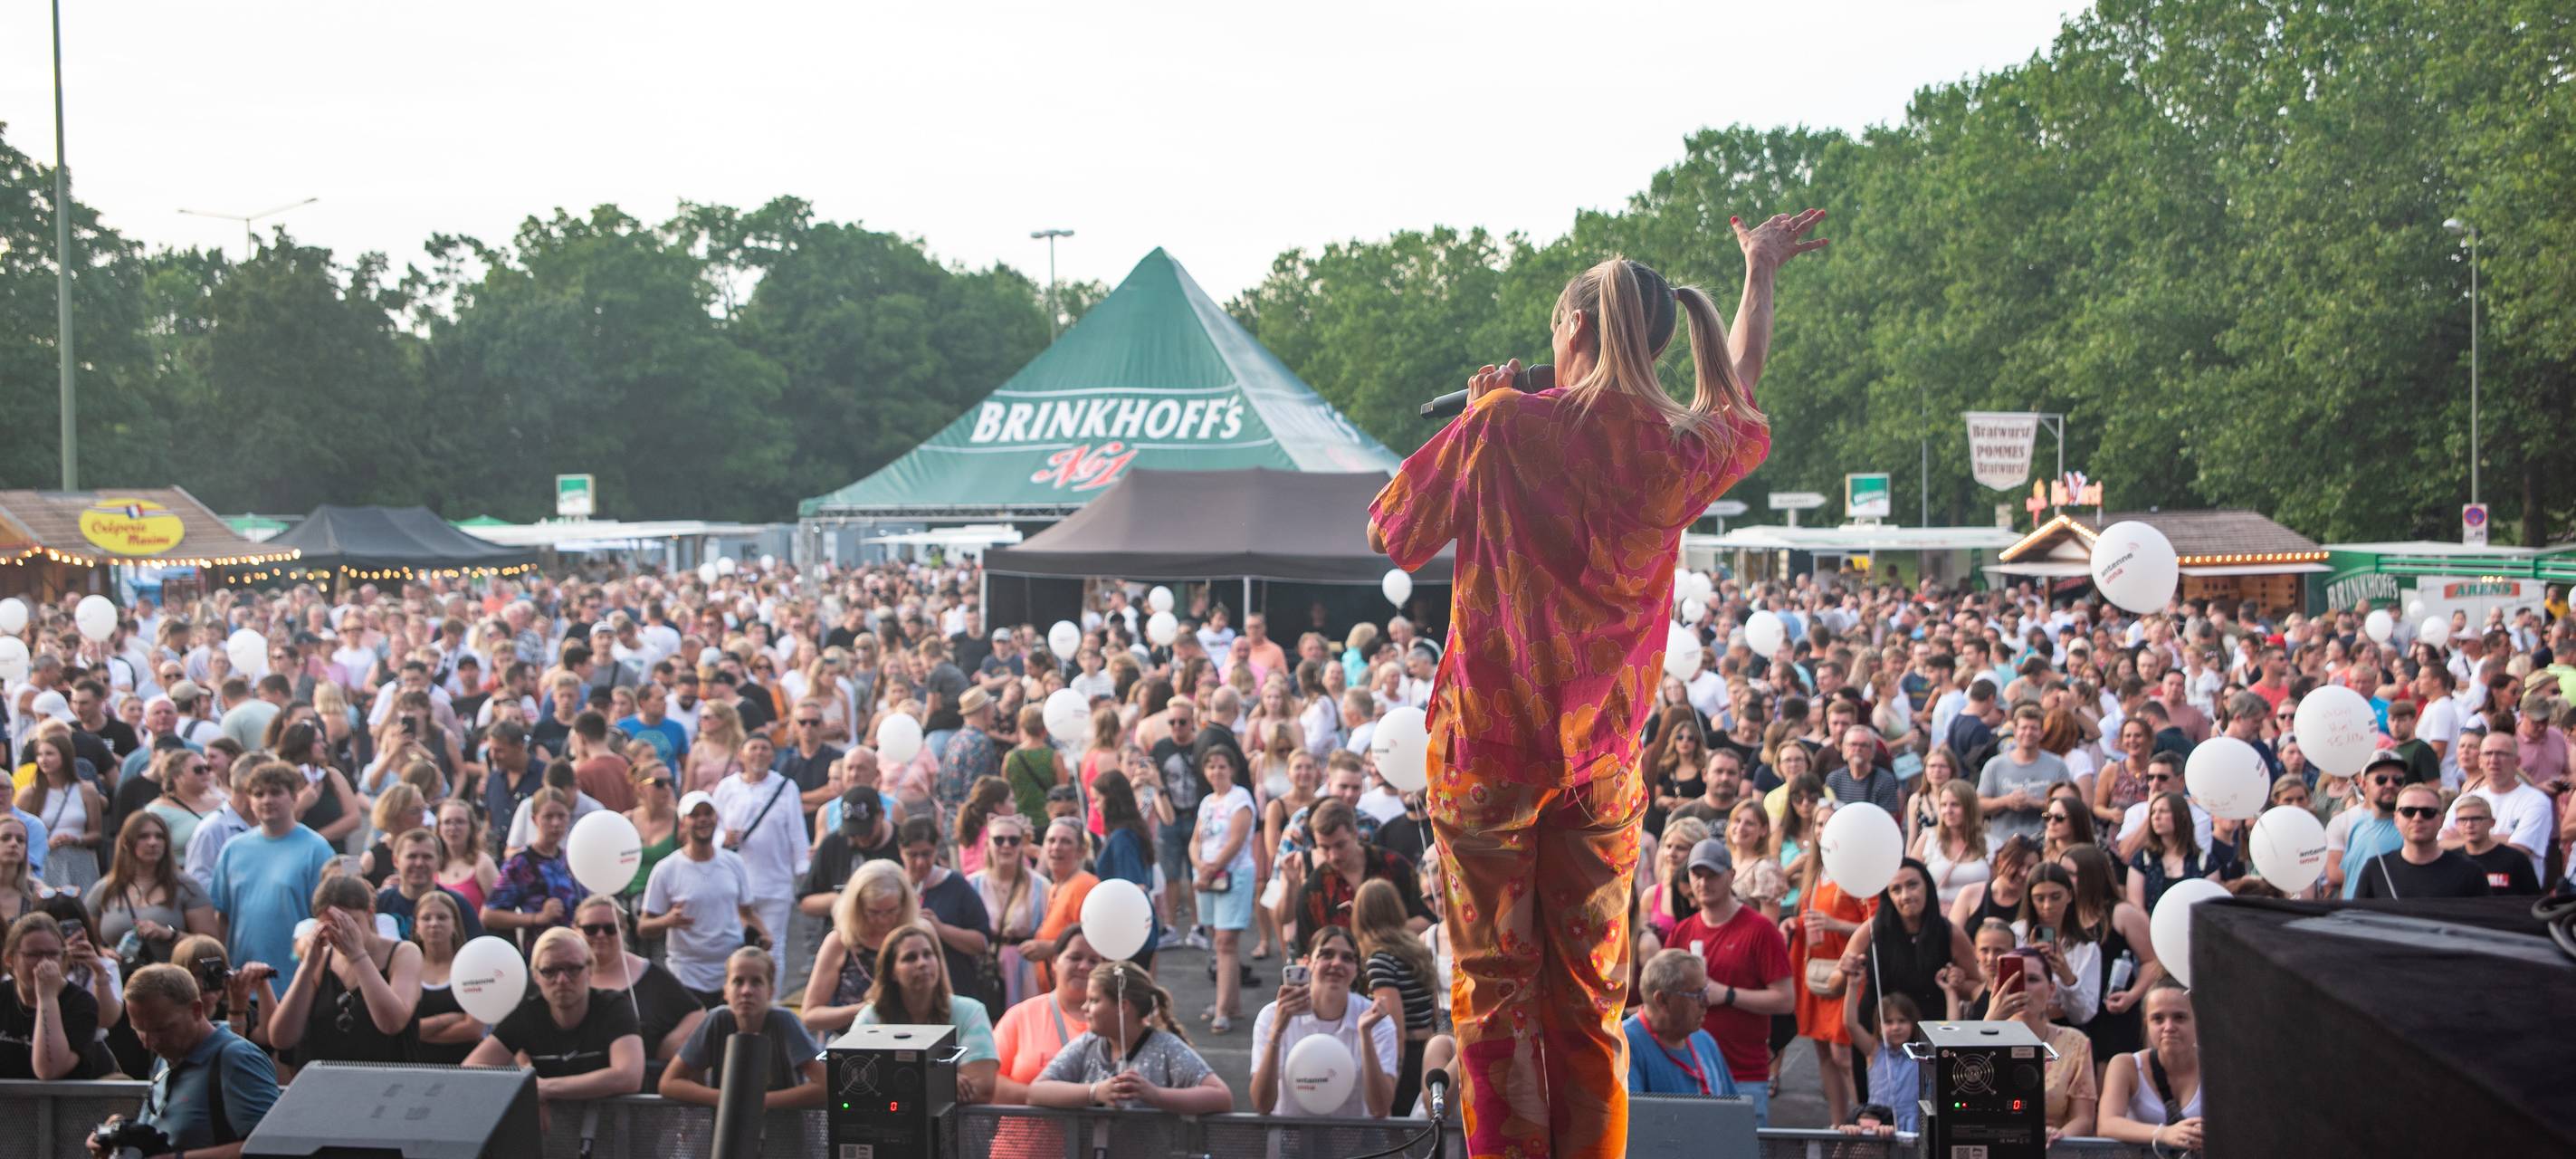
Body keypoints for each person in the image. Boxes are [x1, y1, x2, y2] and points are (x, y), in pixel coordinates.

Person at [86, 963, 280, 1159]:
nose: (149, 1043)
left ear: (196, 1010)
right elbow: (161, 1131)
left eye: (161, 1029)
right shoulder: (167, 1056)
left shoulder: (236, 1059)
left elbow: (270, 1147)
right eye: (139, 1030)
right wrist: (118, 1133)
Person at [1667, 838, 1796, 1126]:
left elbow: (1786, 1000)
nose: (1703, 882)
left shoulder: (1761, 930)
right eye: (1696, 874)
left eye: (1712, 874)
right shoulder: (1681, 933)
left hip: (1744, 1076)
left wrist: (1727, 995)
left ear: (1732, 875)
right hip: (1689, 1074)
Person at [463, 925, 645, 1100]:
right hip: (551, 1130)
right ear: (536, 976)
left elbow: (628, 1077)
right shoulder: (527, 1013)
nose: (562, 980)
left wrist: (543, 1089)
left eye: (573, 969)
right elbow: (470, 1070)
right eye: (549, 971)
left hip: (612, 1128)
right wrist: (524, 1088)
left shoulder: (613, 1006)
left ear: (590, 969)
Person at [1027, 958, 1232, 1113]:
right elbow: (1036, 1091)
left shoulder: (1166, 1047)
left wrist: (1157, 1095)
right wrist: (1095, 1092)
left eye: (1094, 1000)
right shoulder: (1087, 1044)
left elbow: (1221, 1096)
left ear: (1122, 1006)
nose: (1084, 1007)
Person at [206, 762, 336, 1001]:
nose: (267, 800)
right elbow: (222, 916)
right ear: (250, 800)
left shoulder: (316, 849)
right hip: (243, 984)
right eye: (259, 794)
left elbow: (326, 919)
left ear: (294, 797)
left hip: (295, 985)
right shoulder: (233, 849)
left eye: (276, 792)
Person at [264, 876, 423, 1065]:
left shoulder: (404, 953)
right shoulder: (321, 960)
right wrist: (307, 967)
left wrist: (358, 955)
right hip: (327, 1083)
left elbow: (392, 1024)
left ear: (370, 912)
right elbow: (281, 1038)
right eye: (331, 926)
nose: (340, 934)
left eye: (350, 922)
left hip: (386, 1083)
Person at [1251, 924, 1398, 1118]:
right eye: (1326, 955)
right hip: (1289, 1140)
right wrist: (1277, 1030)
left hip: (1357, 1144)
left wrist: (1365, 1035)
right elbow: (1262, 1104)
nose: (1336, 963)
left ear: (1356, 969)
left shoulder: (1377, 1021)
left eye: (1347, 958)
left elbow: (1380, 1109)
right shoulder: (1271, 1016)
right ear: (1307, 963)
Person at [848, 923, 1001, 1104]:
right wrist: (942, 1082)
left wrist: (897, 1085)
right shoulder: (872, 1017)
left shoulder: (970, 1011)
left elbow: (982, 1089)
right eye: (910, 958)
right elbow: (852, 1080)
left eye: (928, 955)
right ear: (892, 972)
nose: (922, 963)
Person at [656, 946, 825, 1108]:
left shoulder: (784, 1021)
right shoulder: (718, 1020)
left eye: (756, 982)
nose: (746, 991)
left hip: (781, 1133)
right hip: (727, 1130)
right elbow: (668, 1083)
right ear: (725, 991)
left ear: (771, 991)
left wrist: (759, 1102)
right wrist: (728, 1099)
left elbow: (824, 1085)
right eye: (738, 981)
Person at [642, 790, 762, 1003]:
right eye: (695, 815)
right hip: (686, 976)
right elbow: (644, 926)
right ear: (683, 823)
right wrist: (668, 921)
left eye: (708, 813)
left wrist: (765, 935)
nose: (703, 819)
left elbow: (747, 912)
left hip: (730, 973)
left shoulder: (734, 863)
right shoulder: (666, 869)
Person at [574, 896, 703, 1067]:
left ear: (624, 930)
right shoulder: (561, 975)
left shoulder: (649, 973)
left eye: (611, 928)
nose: (600, 935)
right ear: (575, 930)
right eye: (590, 929)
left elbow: (697, 1014)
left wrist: (671, 1043)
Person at [87, 811, 220, 969]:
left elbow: (211, 946)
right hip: (116, 982)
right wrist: (101, 952)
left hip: (173, 980)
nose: (153, 842)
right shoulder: (106, 889)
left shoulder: (187, 887)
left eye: (159, 836)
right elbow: (85, 941)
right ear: (125, 843)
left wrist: (169, 935)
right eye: (143, 836)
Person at [1990, 948, 2096, 1144]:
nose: (2023, 989)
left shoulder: (2075, 1042)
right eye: (2014, 981)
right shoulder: (1980, 1036)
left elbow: (2083, 1118)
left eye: (2032, 979)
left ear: (2051, 990)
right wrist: (1990, 1023)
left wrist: (2059, 1137)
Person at [1354, 876, 1440, 1115]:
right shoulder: (1417, 949)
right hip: (1429, 1049)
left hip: (1406, 1055)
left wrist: (1394, 1076)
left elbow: (1395, 1028)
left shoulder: (1379, 961)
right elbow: (1434, 1009)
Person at [894, 816, 997, 1013]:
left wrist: (940, 929)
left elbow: (982, 941)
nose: (920, 862)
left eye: (927, 854)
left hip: (955, 987)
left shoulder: (955, 885)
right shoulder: (894, 886)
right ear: (901, 852)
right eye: (912, 855)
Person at [714, 735, 806, 948]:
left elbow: (797, 830)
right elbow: (712, 826)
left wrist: (802, 866)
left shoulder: (786, 787)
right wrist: (723, 838)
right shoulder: (727, 787)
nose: (759, 753)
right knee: (735, 945)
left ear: (773, 756)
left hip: (776, 883)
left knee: (773, 947)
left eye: (764, 748)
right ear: (741, 755)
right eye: (753, 748)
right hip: (735, 882)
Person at [992, 924, 1100, 1104]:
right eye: (1075, 957)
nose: (1083, 966)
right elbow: (989, 1082)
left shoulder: (1116, 1020)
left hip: (1092, 1132)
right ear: (1054, 962)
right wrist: (1046, 1097)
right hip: (1021, 1131)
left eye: (1094, 961)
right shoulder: (1021, 1015)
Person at [1191, 742, 1256, 1032]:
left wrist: (1211, 866)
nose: (1217, 771)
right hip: (1208, 877)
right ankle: (1232, 1003)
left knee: (1225, 941)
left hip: (1233, 876)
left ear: (1232, 769)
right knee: (1219, 938)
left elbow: (1237, 840)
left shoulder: (1240, 798)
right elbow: (1196, 839)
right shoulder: (1207, 802)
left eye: (1222, 765)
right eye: (1211, 766)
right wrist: (1200, 865)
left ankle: (1221, 1010)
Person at [2095, 981, 2204, 1154]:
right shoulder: (2126, 1065)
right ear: (2146, 1023)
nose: (2168, 1027)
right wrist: (2164, 1133)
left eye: (2179, 1017)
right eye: (2158, 1019)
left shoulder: (2218, 1067)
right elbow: (2107, 1123)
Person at [1622, 948, 1737, 1098]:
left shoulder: (1704, 1041)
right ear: (1663, 1000)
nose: (1707, 1002)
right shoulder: (1625, 1045)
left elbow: (1732, 1111)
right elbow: (1636, 1118)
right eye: (1697, 995)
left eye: (1706, 992)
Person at [2440, 731, 2553, 882]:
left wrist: (2464, 840)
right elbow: (2440, 845)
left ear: (2517, 762)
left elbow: (2519, 850)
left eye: (2502, 754)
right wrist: (2503, 839)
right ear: (2480, 760)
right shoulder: (2465, 800)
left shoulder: (2536, 801)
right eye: (2488, 754)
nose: (2494, 760)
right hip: (2467, 893)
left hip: (2516, 893)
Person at [971, 813, 1052, 1010]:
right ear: (988, 844)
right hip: (987, 969)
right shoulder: (972, 884)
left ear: (1021, 845)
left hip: (1027, 969)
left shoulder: (1040, 886)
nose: (1006, 845)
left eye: (1013, 840)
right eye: (999, 840)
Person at [2355, 784, 2492, 899]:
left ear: (2441, 820)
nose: (2418, 818)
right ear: (2396, 819)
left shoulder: (2470, 872)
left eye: (2428, 812)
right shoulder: (2376, 869)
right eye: (2408, 811)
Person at [482, 788, 584, 942]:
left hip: (575, 947)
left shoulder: (569, 859)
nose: (555, 823)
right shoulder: (521, 863)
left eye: (561, 816)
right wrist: (536, 918)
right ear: (534, 819)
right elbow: (489, 915)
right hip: (541, 950)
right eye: (548, 817)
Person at [2, 912, 95, 1078]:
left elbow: (48, 1070)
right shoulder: (3, 995)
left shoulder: (81, 1003)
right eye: (33, 955)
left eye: (53, 954)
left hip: (63, 1104)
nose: (44, 962)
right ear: (10, 959)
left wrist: (47, 998)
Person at [19, 732, 107, 893]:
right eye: (39, 754)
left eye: (50, 754)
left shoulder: (86, 790)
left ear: (65, 756)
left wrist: (76, 839)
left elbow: (96, 834)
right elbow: (20, 835)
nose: (43, 759)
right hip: (46, 862)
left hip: (80, 860)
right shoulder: (29, 794)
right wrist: (46, 845)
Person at [406, 889, 483, 1064]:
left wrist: (418, 1033)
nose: (434, 923)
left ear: (455, 924)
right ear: (416, 927)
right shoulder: (406, 968)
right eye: (426, 918)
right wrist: (446, 1019)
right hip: (416, 1068)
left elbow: (473, 1030)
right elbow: (399, 1028)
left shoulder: (471, 967)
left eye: (442, 917)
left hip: (464, 1067)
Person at [1021, 817, 1096, 995]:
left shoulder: (1084, 885)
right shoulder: (1056, 886)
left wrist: (1050, 948)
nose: (1056, 847)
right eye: (1051, 840)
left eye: (1066, 842)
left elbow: (1095, 943)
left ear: (1081, 851)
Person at [1978, 704, 2072, 847]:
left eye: (2034, 728)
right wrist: (2006, 801)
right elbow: (1979, 804)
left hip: (2045, 843)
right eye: (2023, 728)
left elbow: (2069, 806)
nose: (2028, 733)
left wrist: (2035, 803)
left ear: (2041, 733)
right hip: (2002, 845)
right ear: (2015, 731)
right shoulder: (1995, 765)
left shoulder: (2057, 765)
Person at [375, 827, 486, 942]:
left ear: (439, 862)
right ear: (396, 861)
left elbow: (476, 948)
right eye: (412, 856)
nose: (419, 863)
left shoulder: (457, 904)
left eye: (427, 857)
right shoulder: (380, 903)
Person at [2328, 752, 2408, 898]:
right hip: (2351, 917)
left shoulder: (2410, 828)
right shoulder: (2357, 826)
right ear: (2364, 784)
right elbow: (2348, 880)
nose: (2390, 785)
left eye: (2397, 780)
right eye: (2381, 779)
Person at [1844, 992, 1923, 1135]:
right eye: (1888, 1022)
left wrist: (1950, 992)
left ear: (1913, 1023)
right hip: (1877, 1123)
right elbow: (1850, 1024)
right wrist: (1852, 984)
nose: (1896, 1027)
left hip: (1911, 1124)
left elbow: (1949, 1031)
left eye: (1902, 1020)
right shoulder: (1874, 1050)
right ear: (1879, 1026)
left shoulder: (1921, 1054)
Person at [2449, 794, 2542, 895]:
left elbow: (2532, 900)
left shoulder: (2516, 859)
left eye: (2476, 819)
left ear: (2492, 822)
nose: (2469, 825)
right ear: (2456, 824)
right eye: (2463, 820)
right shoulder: (2450, 860)